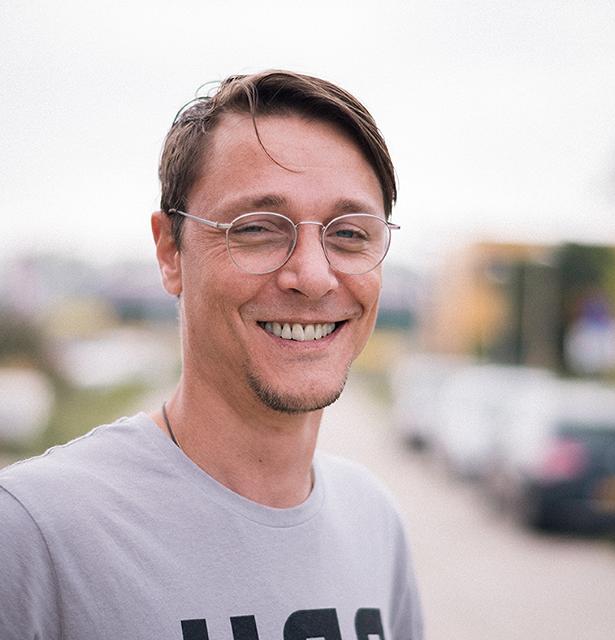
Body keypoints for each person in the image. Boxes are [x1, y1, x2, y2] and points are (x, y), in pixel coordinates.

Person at [0, 70, 424, 640]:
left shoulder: (374, 522)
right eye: (258, 229)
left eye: (349, 234)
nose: (313, 276)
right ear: (170, 251)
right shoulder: (34, 534)